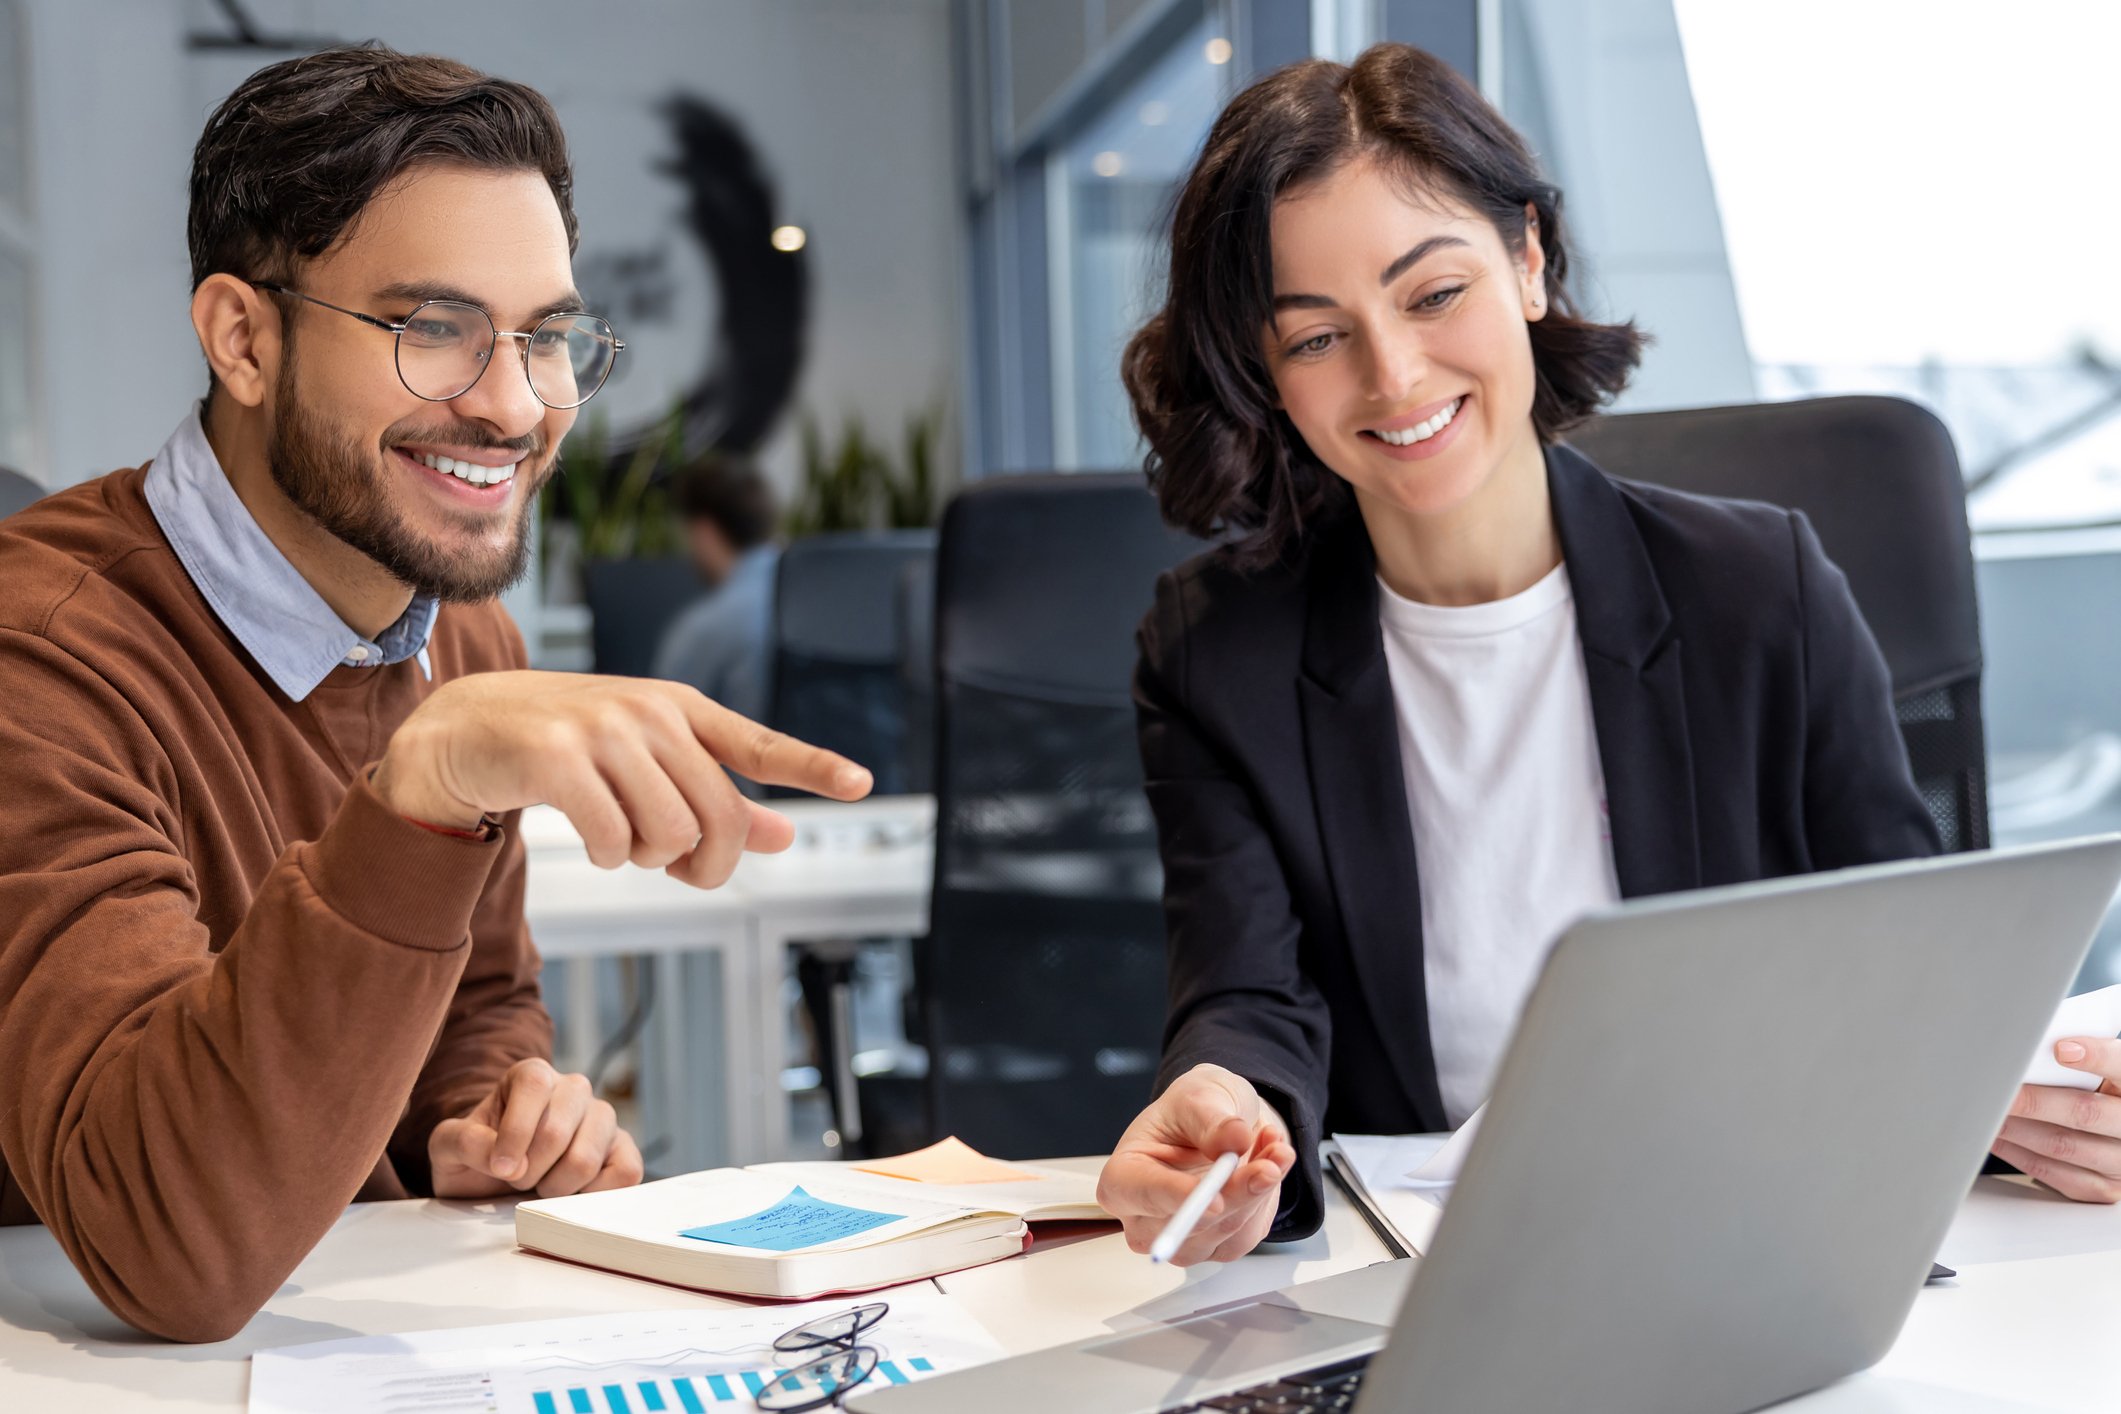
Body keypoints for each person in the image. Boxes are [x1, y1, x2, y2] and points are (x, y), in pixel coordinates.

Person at [1095, 42, 2121, 1268]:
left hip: (1756, 1236)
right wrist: (1228, 1109)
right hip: (1428, 1275)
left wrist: (2040, 1109)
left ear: (1527, 260)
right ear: (1264, 372)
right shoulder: (1216, 653)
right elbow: (1245, 990)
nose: (1395, 374)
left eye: (1433, 294)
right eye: (1316, 338)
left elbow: (1917, 966)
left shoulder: (1759, 588)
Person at [0, 46, 869, 1342]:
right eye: (432, 329)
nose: (515, 405)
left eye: (547, 338)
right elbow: (165, 1249)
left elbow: (478, 994)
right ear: (243, 337)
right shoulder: (42, 652)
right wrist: (420, 792)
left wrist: (488, 1109)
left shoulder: (464, 635)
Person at [653, 453, 782, 725]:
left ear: (704, 531)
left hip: (747, 768)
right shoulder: (826, 604)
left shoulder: (706, 628)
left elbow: (659, 728)